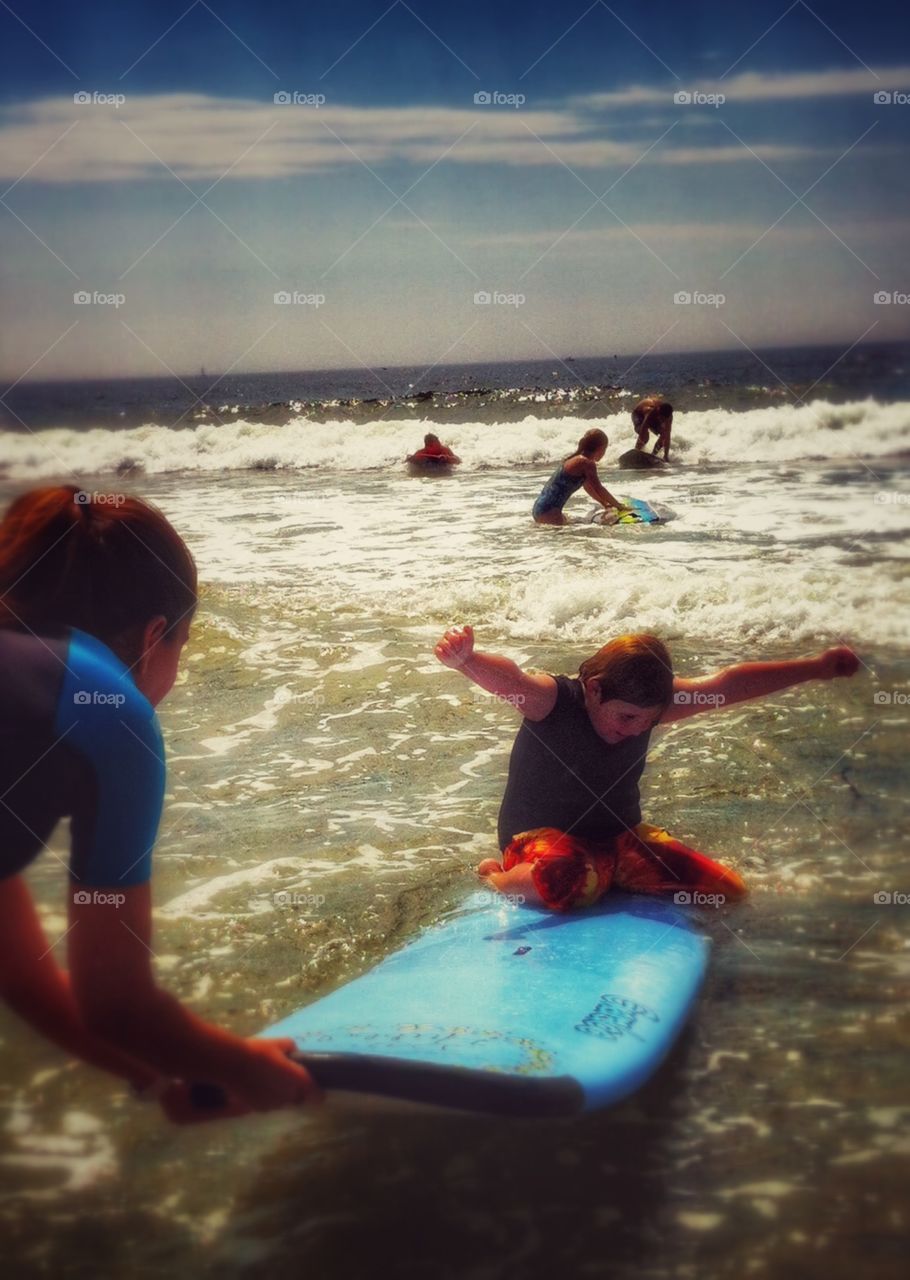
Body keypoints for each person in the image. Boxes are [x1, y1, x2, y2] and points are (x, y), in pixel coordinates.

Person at [0, 486, 319, 1122]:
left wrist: (158, 1075)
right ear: (154, 636)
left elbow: (15, 968)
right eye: (184, 644)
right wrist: (249, 1070)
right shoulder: (107, 707)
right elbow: (115, 1004)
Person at [434, 624, 859, 911]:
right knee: (566, 878)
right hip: (541, 842)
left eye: (649, 721)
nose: (637, 730)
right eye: (627, 718)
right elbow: (513, 681)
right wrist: (467, 661)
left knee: (724, 889)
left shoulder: (646, 710)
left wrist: (818, 668)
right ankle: (497, 877)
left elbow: (728, 685)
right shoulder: (554, 702)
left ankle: (608, 874)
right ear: (595, 690)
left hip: (618, 840)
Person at [532, 428, 626, 526]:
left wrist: (604, 503)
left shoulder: (576, 459)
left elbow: (588, 487)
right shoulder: (587, 463)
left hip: (540, 508)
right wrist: (618, 506)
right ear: (601, 448)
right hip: (550, 513)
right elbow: (599, 488)